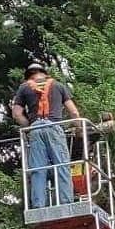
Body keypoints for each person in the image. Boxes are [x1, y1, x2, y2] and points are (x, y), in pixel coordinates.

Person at [11, 63, 80, 209]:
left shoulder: (24, 88)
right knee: (62, 166)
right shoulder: (58, 86)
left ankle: (38, 205)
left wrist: (29, 127)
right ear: (44, 72)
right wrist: (80, 128)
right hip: (54, 127)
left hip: (35, 130)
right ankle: (66, 203)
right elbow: (74, 112)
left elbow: (16, 114)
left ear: (28, 76)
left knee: (37, 169)